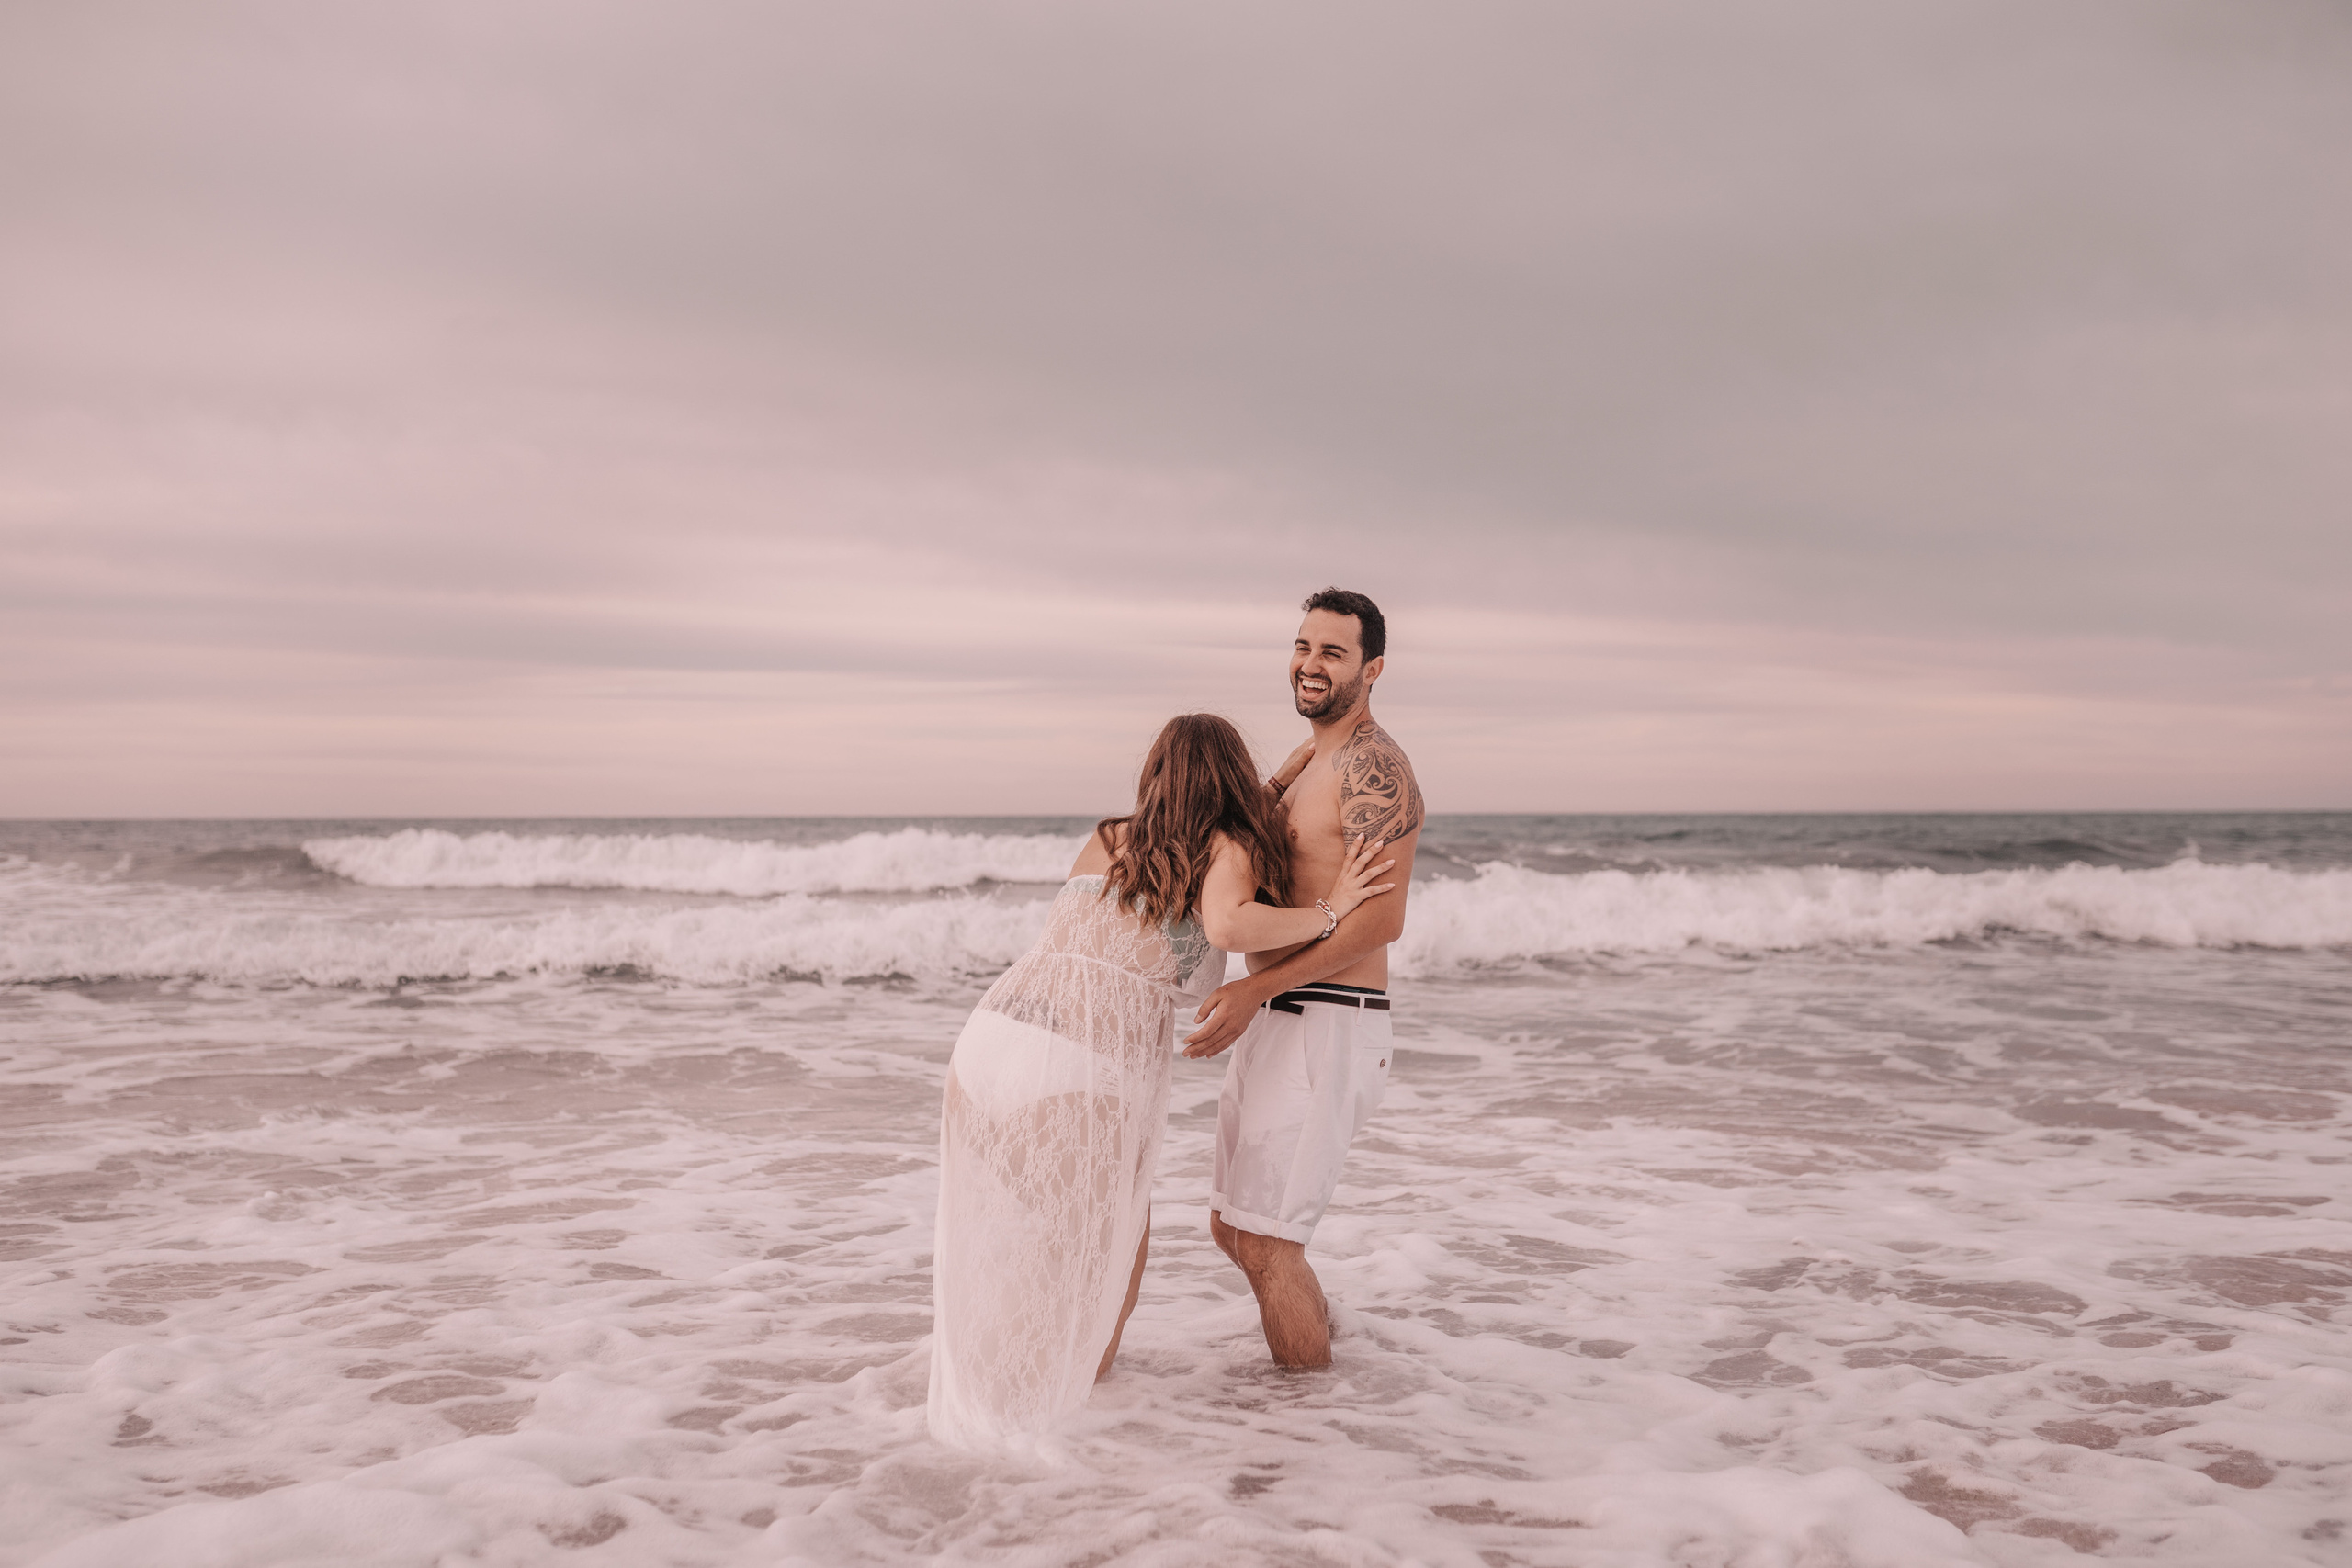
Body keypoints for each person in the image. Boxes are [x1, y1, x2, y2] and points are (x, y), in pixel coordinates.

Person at [927, 712, 1397, 1452]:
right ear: (1232, 782)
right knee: (1110, 1254)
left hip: (993, 1042)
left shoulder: (1113, 835)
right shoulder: (1230, 848)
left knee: (1052, 1244)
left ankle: (1041, 1396)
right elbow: (1230, 925)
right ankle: (1063, 1422)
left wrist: (1273, 782)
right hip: (1076, 1065)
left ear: (1157, 775)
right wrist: (1331, 909)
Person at [1182, 588, 1425, 1369]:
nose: (1310, 664)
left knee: (1267, 1241)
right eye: (1302, 646)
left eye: (1333, 652)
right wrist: (1285, 772)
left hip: (1331, 1015)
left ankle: (1308, 1436)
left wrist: (1255, 988)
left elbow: (1382, 920)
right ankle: (1335, 1362)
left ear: (1372, 667)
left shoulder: (1375, 767)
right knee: (1234, 1229)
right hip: (1284, 1013)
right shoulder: (1315, 761)